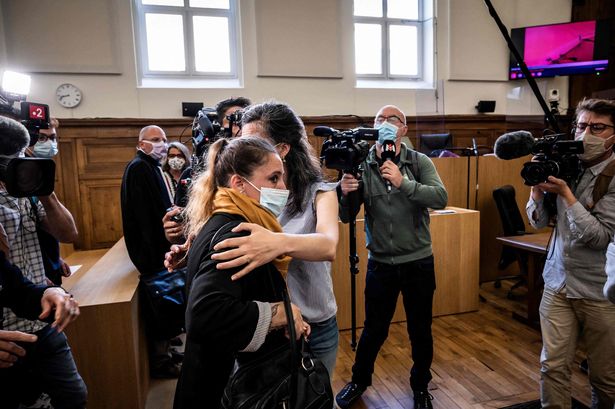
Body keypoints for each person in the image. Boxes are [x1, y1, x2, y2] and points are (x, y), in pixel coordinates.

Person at [173, 136, 309, 409]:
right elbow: (205, 314)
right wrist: (280, 313)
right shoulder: (236, 232)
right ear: (239, 184)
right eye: (273, 179)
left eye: (282, 178)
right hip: (225, 389)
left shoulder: (223, 218)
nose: (283, 187)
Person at [208, 101, 340, 376]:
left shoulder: (320, 192)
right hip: (265, 327)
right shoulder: (244, 190)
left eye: (254, 142)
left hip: (315, 324)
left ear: (282, 148)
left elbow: (328, 245)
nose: (243, 149)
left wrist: (276, 243)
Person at [335, 105, 448, 409]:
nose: (385, 123)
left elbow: (440, 198)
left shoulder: (418, 161)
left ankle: (421, 386)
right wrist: (344, 193)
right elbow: (347, 217)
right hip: (381, 264)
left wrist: (403, 182)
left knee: (420, 329)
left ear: (404, 130)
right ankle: (359, 380)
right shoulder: (362, 164)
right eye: (379, 119)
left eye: (393, 119)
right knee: (374, 329)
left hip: (418, 262)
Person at [526, 98, 615, 408]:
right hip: (558, 282)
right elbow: (537, 221)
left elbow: (600, 237)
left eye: (597, 127)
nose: (585, 133)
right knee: (552, 367)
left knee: (605, 378)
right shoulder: (567, 162)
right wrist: (537, 191)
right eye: (581, 126)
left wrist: (565, 194)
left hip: (600, 289)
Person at [0, 116, 86, 408]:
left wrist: (45, 191)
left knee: (73, 396)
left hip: (40, 317)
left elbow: (68, 232)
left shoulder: (29, 191)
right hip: (5, 330)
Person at [120, 125, 181, 378]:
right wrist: (160, 249)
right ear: (141, 143)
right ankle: (161, 359)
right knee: (161, 306)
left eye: (165, 139)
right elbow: (145, 216)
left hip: (156, 247)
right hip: (152, 250)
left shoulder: (150, 167)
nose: (162, 144)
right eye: (156, 140)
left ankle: (167, 349)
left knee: (167, 306)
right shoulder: (139, 168)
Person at [164, 96, 252, 241]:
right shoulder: (192, 175)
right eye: (236, 121)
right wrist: (174, 233)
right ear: (216, 129)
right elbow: (180, 228)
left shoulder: (262, 171)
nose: (243, 130)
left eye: (247, 122)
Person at [26, 117, 73, 285]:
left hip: (48, 266)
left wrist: (56, 258)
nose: (48, 143)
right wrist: (31, 276)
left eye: (52, 138)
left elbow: (64, 232)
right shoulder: (21, 177)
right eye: (41, 138)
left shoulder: (40, 172)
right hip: (30, 278)